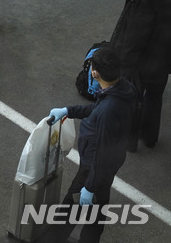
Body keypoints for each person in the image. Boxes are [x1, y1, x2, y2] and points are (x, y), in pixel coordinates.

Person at [46, 47, 137, 243]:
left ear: (94, 73)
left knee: (70, 209)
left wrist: (90, 186)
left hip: (93, 167)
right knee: (97, 208)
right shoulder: (121, 89)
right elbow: (96, 109)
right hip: (107, 164)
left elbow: (103, 153)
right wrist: (68, 111)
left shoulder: (108, 110)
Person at [110, 0, 171, 149]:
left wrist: (123, 63)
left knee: (133, 99)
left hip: (142, 62)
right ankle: (150, 137)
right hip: (162, 61)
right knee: (154, 99)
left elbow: (133, 37)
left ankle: (130, 140)